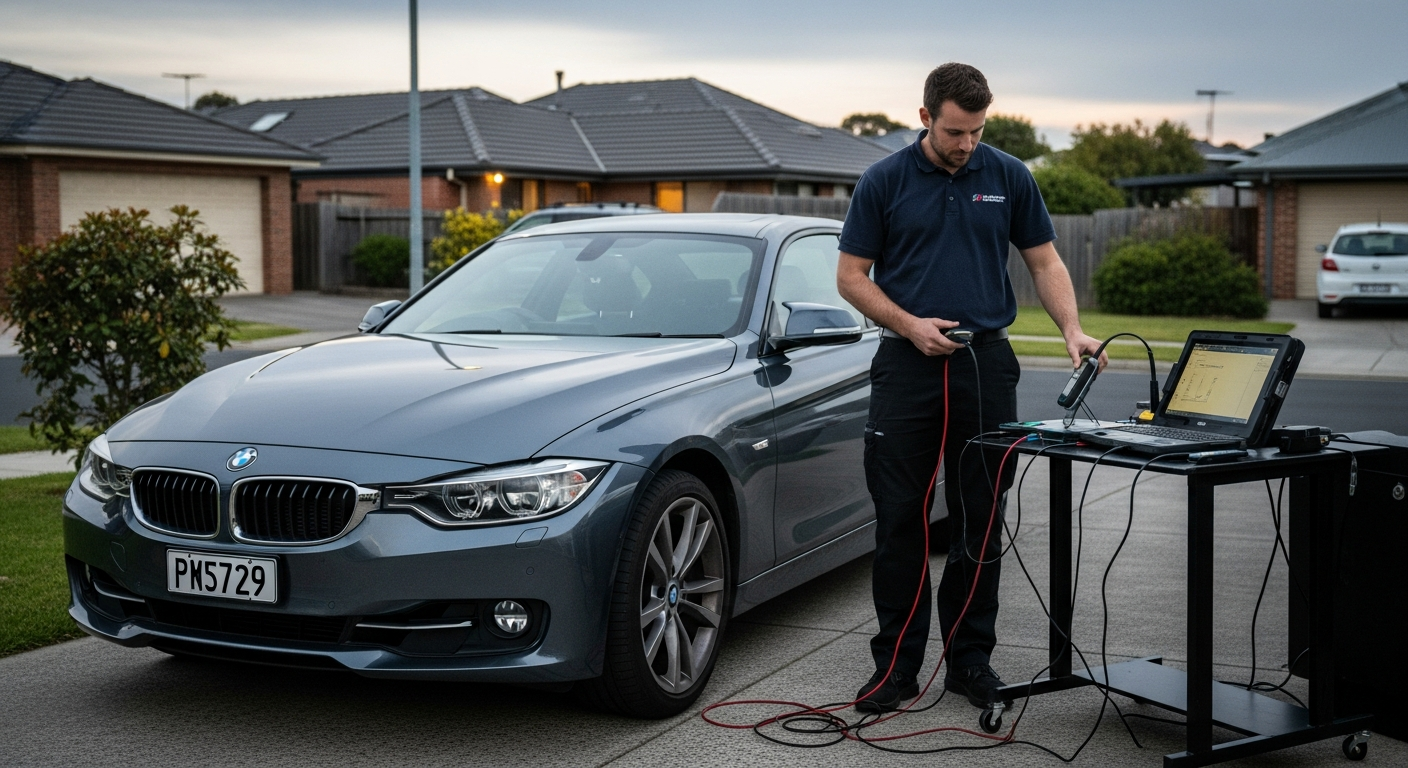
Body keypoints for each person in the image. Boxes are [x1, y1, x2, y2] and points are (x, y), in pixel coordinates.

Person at [836, 62, 1106, 713]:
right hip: (906, 368)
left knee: (980, 523)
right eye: (956, 131)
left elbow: (1045, 260)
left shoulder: (1008, 175)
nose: (966, 144)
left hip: (987, 368)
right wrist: (908, 324)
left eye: (977, 131)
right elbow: (850, 276)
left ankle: (969, 662)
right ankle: (895, 669)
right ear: (926, 117)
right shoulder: (884, 180)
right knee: (901, 520)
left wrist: (1072, 329)